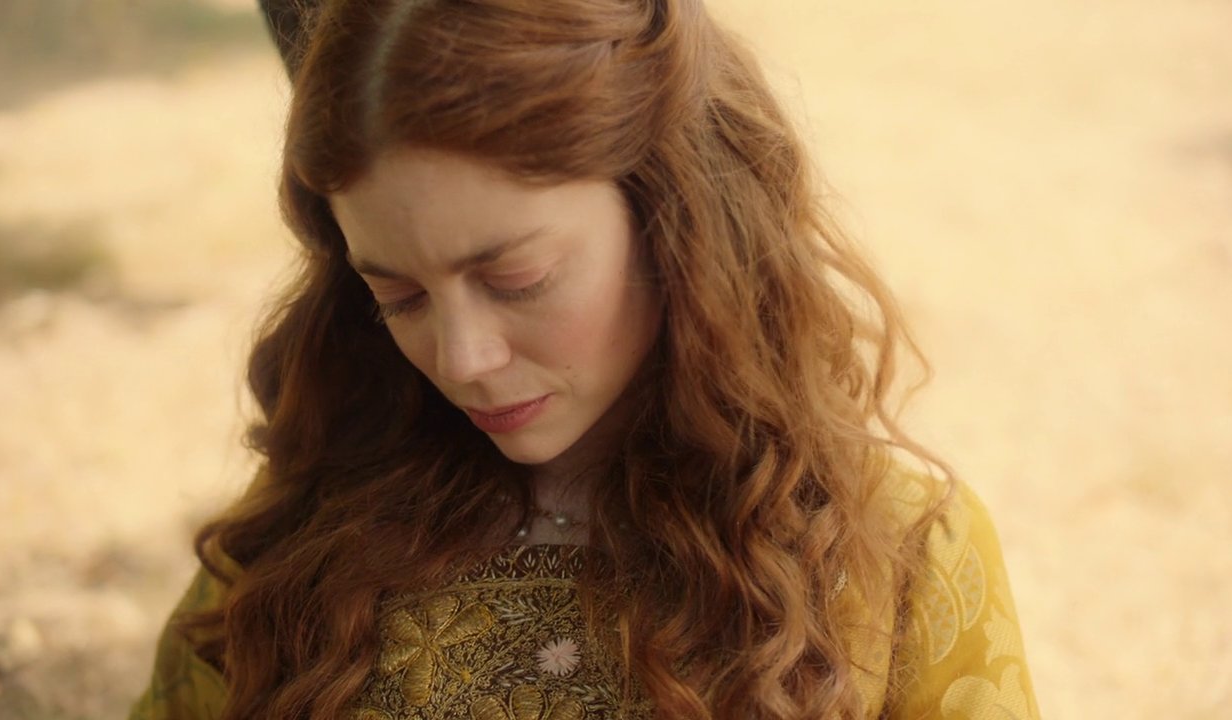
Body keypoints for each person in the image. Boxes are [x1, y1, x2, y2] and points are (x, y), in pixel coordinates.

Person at [131, 0, 1040, 718]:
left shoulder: (895, 556)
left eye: (516, 279)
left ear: (675, 220)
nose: (463, 358)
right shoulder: (305, 534)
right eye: (398, 297)